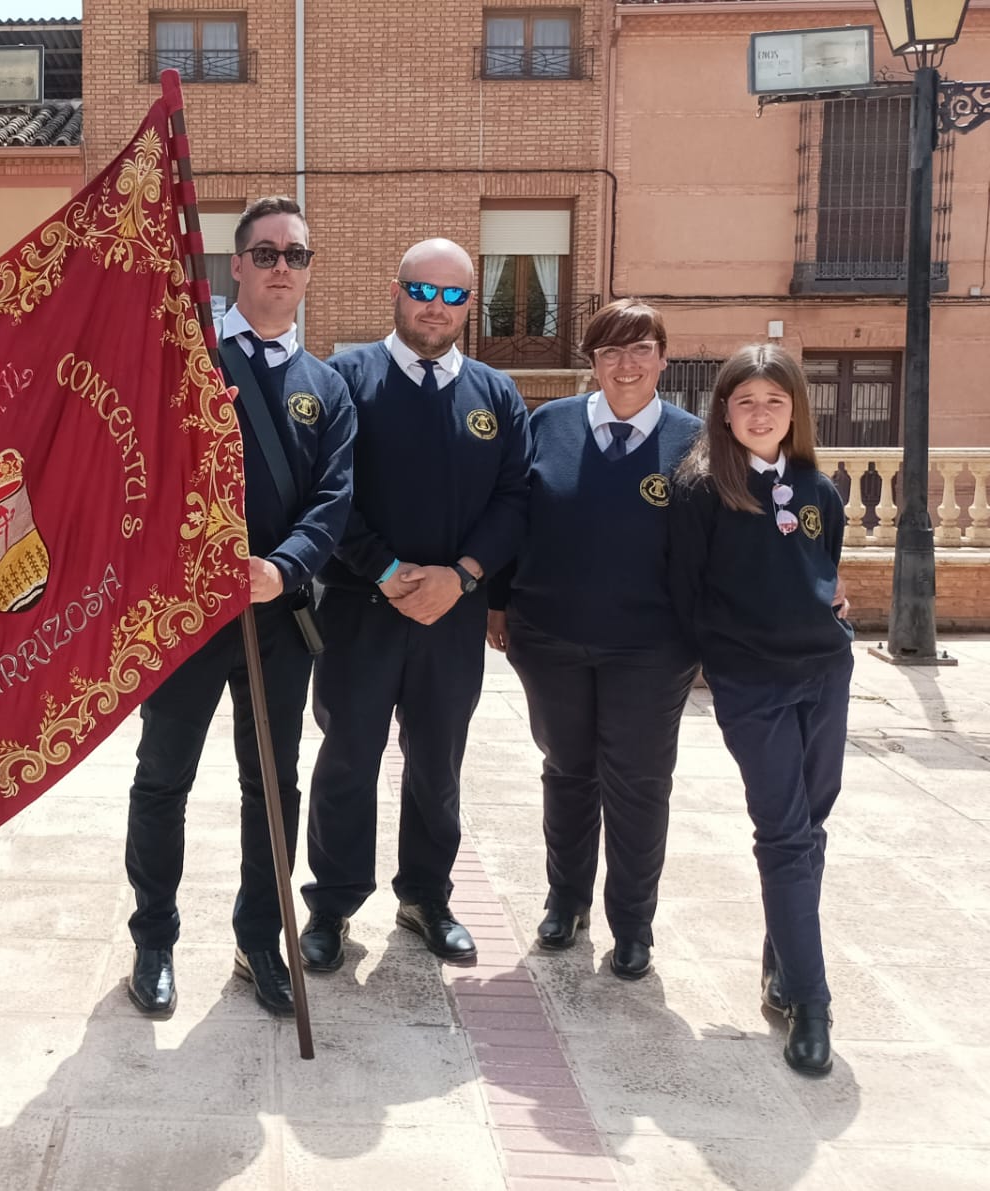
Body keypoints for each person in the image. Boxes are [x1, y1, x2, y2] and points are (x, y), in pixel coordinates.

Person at [123, 196, 355, 1017]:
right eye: (264, 253)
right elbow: (142, 474)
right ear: (235, 266)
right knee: (162, 779)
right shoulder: (185, 362)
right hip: (186, 619)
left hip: (274, 617)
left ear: (306, 270)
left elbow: (334, 498)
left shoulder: (326, 385)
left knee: (272, 784)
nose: (280, 267)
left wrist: (284, 567)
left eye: (295, 253)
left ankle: (260, 935)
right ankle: (153, 937)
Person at [298, 238, 529, 971]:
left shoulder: (495, 395)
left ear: (469, 305)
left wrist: (459, 578)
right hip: (359, 610)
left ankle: (426, 895)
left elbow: (514, 500)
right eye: (422, 290)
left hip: (450, 617)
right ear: (394, 292)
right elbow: (328, 494)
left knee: (438, 762)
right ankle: (331, 906)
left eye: (454, 294)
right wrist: (391, 570)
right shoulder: (345, 379)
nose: (436, 306)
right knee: (348, 761)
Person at [485, 299, 702, 981]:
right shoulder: (546, 425)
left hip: (651, 648)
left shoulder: (695, 439)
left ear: (663, 358)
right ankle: (565, 900)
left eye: (640, 349)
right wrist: (496, 601)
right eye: (609, 351)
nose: (625, 364)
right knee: (567, 770)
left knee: (637, 784)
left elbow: (720, 546)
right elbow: (513, 519)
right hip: (550, 637)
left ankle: (632, 924)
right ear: (592, 361)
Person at [668, 343, 854, 1076]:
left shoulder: (817, 487)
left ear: (793, 411)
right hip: (751, 685)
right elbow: (685, 590)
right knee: (781, 831)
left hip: (824, 672)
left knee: (810, 825)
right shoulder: (700, 488)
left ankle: (782, 969)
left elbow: (824, 568)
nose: (758, 413)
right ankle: (810, 1002)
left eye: (773, 401)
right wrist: (710, 666)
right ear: (722, 410)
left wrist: (835, 621)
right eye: (743, 400)